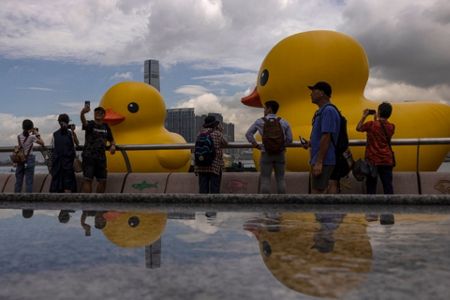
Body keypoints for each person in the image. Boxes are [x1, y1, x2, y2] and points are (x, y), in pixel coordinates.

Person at [246, 100, 293, 194]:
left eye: (265, 108)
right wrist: (281, 145)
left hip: (266, 153)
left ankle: (265, 204)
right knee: (280, 179)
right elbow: (290, 139)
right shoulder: (284, 122)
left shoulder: (260, 121)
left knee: (265, 179)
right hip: (280, 154)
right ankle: (282, 202)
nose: (264, 111)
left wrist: (256, 145)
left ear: (269, 109)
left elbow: (248, 134)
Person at [303, 82, 340, 194]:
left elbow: (326, 136)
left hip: (324, 159)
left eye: (314, 91)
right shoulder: (322, 111)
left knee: (318, 193)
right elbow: (322, 136)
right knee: (318, 191)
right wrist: (310, 143)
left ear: (322, 93)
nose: (311, 94)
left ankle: (322, 212)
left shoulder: (328, 111)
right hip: (321, 158)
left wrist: (319, 162)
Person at [356, 102, 395, 194]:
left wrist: (364, 116)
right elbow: (381, 130)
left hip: (372, 160)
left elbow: (358, 128)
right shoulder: (392, 127)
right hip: (386, 160)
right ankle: (391, 206)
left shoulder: (371, 124)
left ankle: (371, 207)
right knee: (387, 185)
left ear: (379, 112)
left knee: (371, 186)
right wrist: (376, 119)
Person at [80, 105, 116, 193]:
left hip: (101, 158)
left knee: (103, 180)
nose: (99, 113)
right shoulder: (91, 124)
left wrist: (113, 146)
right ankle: (88, 203)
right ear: (94, 114)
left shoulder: (106, 126)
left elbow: (112, 140)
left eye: (101, 112)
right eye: (97, 112)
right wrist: (82, 113)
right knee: (88, 179)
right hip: (89, 157)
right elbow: (84, 123)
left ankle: (98, 202)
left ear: (104, 115)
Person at [194, 115, 228, 193]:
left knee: (203, 190)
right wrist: (221, 131)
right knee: (214, 189)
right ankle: (214, 205)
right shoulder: (217, 134)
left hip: (201, 165)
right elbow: (226, 143)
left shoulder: (199, 134)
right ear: (214, 125)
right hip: (214, 166)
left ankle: (203, 204)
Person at [14, 119, 45, 193]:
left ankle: (16, 197)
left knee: (18, 180)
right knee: (29, 181)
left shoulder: (19, 136)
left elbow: (20, 147)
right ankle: (28, 199)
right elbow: (42, 143)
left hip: (21, 159)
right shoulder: (32, 137)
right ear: (31, 128)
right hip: (29, 159)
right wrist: (36, 133)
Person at [49, 114, 78, 193]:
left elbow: (52, 148)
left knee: (56, 185)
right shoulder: (70, 134)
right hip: (68, 162)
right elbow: (77, 144)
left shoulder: (55, 134)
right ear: (68, 122)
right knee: (68, 184)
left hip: (57, 163)